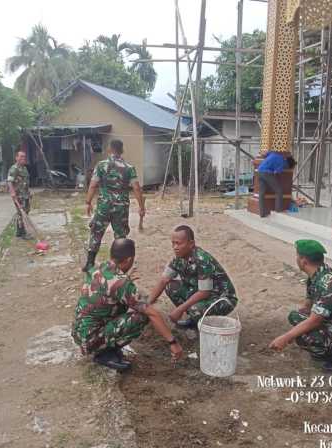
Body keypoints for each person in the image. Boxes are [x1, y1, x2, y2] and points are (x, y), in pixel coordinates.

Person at [72, 238, 184, 372]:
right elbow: (152, 313)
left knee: (125, 305)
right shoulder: (121, 283)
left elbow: (109, 290)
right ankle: (103, 354)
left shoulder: (99, 268)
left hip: (80, 332)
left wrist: (126, 280)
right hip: (90, 340)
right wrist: (173, 343)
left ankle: (103, 346)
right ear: (129, 259)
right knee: (141, 317)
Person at [269, 239, 332, 373]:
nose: (296, 259)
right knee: (295, 317)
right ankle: (325, 345)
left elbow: (315, 321)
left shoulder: (329, 283)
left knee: (304, 337)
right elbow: (307, 306)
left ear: (304, 261)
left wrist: (286, 338)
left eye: (297, 256)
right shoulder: (316, 275)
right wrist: (301, 318)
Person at [149, 225, 238, 329]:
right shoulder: (179, 257)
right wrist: (147, 304)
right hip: (200, 291)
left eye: (178, 243)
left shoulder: (202, 259)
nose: (175, 247)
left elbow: (204, 292)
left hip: (221, 298)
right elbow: (164, 280)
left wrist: (180, 309)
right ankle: (193, 318)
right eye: (173, 243)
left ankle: (196, 323)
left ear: (191, 244)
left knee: (195, 309)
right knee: (170, 287)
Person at [83, 139, 145, 272]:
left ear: (109, 149)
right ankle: (120, 265)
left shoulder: (101, 165)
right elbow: (136, 188)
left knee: (96, 232)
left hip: (104, 206)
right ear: (122, 151)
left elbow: (93, 185)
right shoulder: (129, 168)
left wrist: (88, 202)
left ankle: (89, 263)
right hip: (121, 207)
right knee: (120, 235)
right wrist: (141, 207)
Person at [253, 152, 295, 217]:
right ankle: (278, 210)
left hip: (259, 170)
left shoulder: (274, 153)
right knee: (279, 190)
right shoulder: (283, 163)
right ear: (288, 164)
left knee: (261, 193)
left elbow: (265, 154)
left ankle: (262, 213)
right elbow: (277, 173)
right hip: (267, 173)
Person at [7, 150, 31, 239]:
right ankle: (23, 233)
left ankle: (18, 232)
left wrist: (29, 192)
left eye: (24, 157)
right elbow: (9, 181)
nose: (23, 158)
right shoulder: (14, 168)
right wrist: (12, 192)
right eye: (21, 156)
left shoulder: (24, 168)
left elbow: (25, 181)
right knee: (22, 213)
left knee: (25, 212)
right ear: (16, 158)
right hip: (19, 195)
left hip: (25, 194)